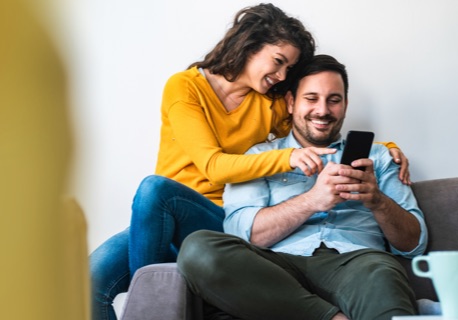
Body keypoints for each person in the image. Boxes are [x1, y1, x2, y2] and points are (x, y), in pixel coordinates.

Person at [89, 4, 410, 320]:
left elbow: (316, 127)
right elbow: (214, 166)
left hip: (221, 220)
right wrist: (287, 157)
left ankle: (153, 301)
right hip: (171, 211)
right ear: (250, 45)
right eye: (278, 62)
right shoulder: (185, 87)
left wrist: (383, 147)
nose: (281, 75)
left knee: (156, 195)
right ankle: (150, 301)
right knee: (94, 278)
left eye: (289, 69)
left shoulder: (268, 103)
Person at [177, 54, 428, 320]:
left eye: (334, 100)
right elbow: (244, 233)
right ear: (290, 102)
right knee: (198, 249)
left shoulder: (379, 158)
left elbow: (414, 244)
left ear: (345, 105)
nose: (322, 110)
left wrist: (377, 201)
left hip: (359, 262)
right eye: (311, 99)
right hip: (276, 268)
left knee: (384, 279)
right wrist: (312, 201)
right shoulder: (258, 156)